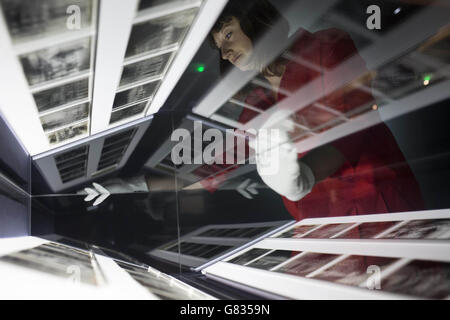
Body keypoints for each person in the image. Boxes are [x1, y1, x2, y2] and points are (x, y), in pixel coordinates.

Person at [209, 0, 424, 220]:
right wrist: (180, 181)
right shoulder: (256, 99)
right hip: (317, 220)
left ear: (256, 20)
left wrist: (306, 176)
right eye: (219, 48)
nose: (225, 53)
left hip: (375, 204)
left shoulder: (326, 46)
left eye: (228, 35)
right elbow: (230, 153)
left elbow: (354, 122)